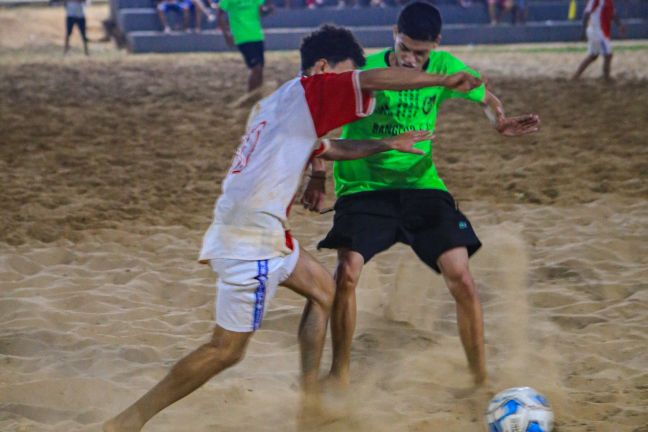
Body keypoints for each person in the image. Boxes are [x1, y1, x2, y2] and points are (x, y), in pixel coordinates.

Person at [102, 24, 482, 432]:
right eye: (345, 74)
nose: (350, 85)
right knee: (225, 351)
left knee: (324, 291)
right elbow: (376, 77)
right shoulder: (313, 89)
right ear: (322, 67)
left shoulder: (279, 103)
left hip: (256, 229)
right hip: (252, 237)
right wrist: (444, 79)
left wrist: (387, 144)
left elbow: (330, 148)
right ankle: (129, 421)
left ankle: (309, 405)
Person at [302, 1, 540, 389]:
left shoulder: (446, 67)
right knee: (346, 273)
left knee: (461, 276)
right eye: (404, 47)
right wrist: (317, 175)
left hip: (421, 186)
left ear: (436, 46)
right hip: (364, 187)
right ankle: (339, 375)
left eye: (420, 53)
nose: (410, 59)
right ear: (394, 34)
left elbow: (483, 95)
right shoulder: (366, 69)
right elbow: (320, 121)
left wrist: (498, 119)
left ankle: (479, 381)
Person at [217, 0, 274, 92]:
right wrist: (226, 34)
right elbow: (220, 14)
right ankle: (250, 97)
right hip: (241, 36)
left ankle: (257, 96)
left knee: (260, 68)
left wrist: (268, 11)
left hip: (257, 35)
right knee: (256, 67)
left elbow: (259, 12)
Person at [571, 0, 625, 81]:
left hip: (600, 31)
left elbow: (613, 13)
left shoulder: (609, 1)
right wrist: (583, 31)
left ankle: (575, 76)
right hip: (598, 31)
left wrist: (620, 24)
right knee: (608, 55)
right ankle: (606, 78)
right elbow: (586, 14)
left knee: (593, 55)